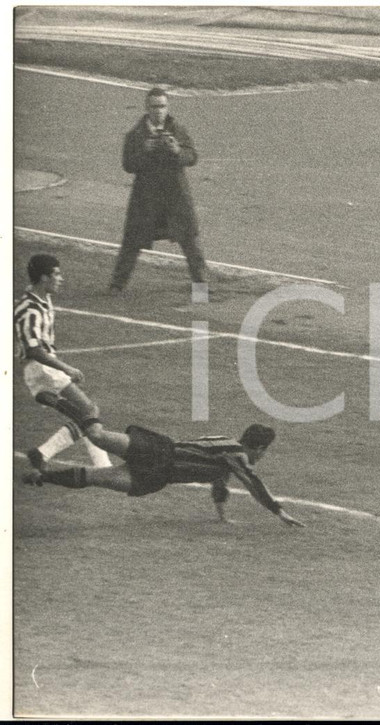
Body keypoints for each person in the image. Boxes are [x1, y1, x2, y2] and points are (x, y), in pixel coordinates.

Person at [23, 417, 305, 528]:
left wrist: (222, 517)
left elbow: (220, 485)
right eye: (264, 451)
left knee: (96, 476)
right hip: (158, 453)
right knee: (97, 438)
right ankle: (70, 408)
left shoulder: (229, 456)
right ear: (258, 448)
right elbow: (253, 483)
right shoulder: (237, 454)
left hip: (158, 472)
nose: (262, 456)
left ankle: (41, 476)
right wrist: (279, 512)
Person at [15, 254, 112, 472]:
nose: (61, 278)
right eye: (56, 274)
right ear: (44, 278)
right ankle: (103, 468)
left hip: (43, 367)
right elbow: (33, 350)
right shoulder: (30, 309)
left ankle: (42, 454)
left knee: (85, 413)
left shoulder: (42, 299)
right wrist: (66, 368)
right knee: (88, 411)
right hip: (41, 368)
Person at [108, 87, 207, 294]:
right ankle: (117, 286)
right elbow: (128, 165)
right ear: (147, 107)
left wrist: (177, 150)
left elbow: (192, 157)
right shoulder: (135, 135)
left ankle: (201, 290)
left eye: (162, 106)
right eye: (154, 106)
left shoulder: (177, 129)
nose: (159, 111)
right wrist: (145, 150)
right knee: (132, 241)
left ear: (167, 107)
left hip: (175, 197)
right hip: (147, 199)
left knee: (190, 241)